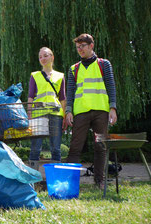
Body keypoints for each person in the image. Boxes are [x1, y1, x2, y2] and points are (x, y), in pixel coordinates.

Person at [65, 34, 117, 188]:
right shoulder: (73, 69)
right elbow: (70, 93)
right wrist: (68, 111)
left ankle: (99, 181)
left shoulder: (104, 64)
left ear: (91, 46)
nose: (80, 49)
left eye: (83, 46)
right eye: (78, 47)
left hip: (101, 111)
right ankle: (69, 182)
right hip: (80, 112)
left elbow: (111, 86)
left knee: (100, 146)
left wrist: (112, 108)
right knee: (75, 147)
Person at [28, 47, 66, 170]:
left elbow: (63, 98)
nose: (42, 59)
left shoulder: (60, 76)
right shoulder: (35, 75)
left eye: (45, 55)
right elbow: (30, 96)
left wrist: (64, 115)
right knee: (35, 147)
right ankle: (33, 178)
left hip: (55, 114)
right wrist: (29, 114)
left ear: (52, 57)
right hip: (38, 114)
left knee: (56, 147)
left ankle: (56, 178)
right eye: (40, 57)